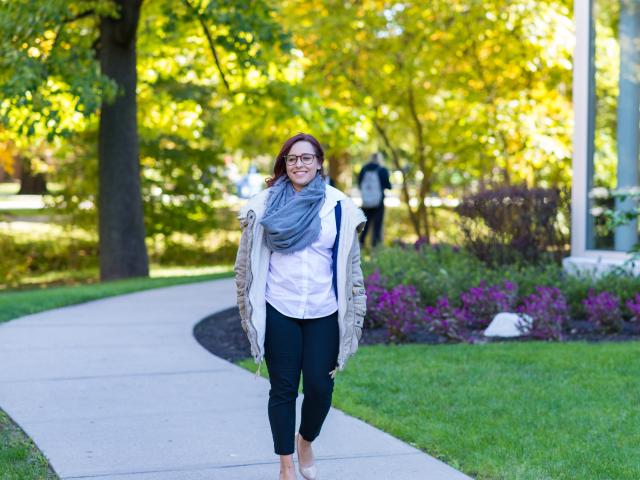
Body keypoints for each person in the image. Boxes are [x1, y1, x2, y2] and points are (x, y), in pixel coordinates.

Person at [233, 132, 367, 480]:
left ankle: (305, 440)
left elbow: (352, 268)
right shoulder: (263, 207)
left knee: (321, 389)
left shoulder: (338, 208)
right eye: (292, 159)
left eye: (306, 158)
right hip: (279, 307)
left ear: (319, 163)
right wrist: (246, 308)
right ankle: (286, 465)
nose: (299, 164)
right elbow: (244, 266)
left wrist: (357, 309)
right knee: (283, 388)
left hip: (324, 310)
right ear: (284, 164)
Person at [357, 152, 391, 247]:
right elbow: (388, 186)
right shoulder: (382, 170)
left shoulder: (364, 169)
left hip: (366, 202)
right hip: (378, 203)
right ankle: (375, 247)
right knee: (377, 226)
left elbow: (359, 183)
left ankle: (361, 245)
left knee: (365, 225)